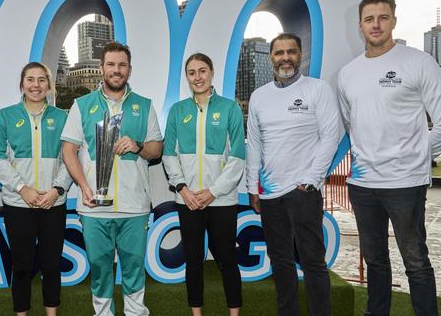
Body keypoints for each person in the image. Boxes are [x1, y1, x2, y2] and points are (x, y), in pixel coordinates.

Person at [337, 0, 441, 316]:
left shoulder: (417, 62)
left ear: (393, 20)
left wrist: (413, 156)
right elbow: (353, 126)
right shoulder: (348, 74)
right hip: (363, 186)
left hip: (406, 184)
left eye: (382, 17)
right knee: (375, 259)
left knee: (415, 260)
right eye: (369, 19)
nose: (375, 24)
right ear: (360, 26)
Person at [61, 41, 163, 316]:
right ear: (101, 68)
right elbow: (68, 150)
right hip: (94, 206)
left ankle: (135, 312)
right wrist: (83, 187)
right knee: (100, 266)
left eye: (122, 65)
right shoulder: (81, 105)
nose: (116, 70)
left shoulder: (144, 105)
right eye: (111, 64)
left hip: (134, 205)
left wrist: (138, 145)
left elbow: (157, 150)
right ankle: (103, 313)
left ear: (129, 70)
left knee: (133, 266)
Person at [246, 33, 342, 316]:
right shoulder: (259, 96)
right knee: (281, 262)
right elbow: (255, 144)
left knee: (313, 261)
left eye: (291, 52)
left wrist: (310, 181)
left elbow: (330, 138)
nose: (285, 57)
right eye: (279, 53)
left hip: (303, 193)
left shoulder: (317, 89)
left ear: (301, 55)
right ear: (271, 57)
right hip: (270, 195)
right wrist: (254, 187)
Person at [162, 53, 244, 316]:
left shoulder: (229, 108)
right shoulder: (177, 110)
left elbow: (238, 157)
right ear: (187, 77)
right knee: (194, 259)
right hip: (188, 199)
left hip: (222, 200)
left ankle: (234, 312)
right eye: (192, 72)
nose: (197, 77)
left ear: (212, 73)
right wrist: (183, 189)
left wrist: (213, 192)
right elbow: (168, 155)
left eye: (202, 71)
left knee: (227, 260)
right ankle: (196, 312)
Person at [0, 62, 72, 316]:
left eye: (41, 80)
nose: (36, 85)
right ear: (22, 84)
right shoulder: (6, 115)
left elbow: (70, 158)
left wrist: (56, 190)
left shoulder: (62, 117)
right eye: (30, 80)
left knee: (51, 264)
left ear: (49, 85)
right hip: (18, 204)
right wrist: (22, 188)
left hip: (53, 203)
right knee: (22, 265)